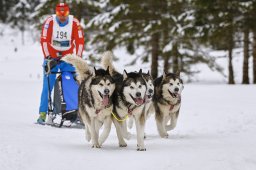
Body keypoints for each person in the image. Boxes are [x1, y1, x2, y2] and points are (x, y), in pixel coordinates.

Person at [37, 3, 84, 125]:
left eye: (65, 15)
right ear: (56, 13)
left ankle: (74, 112)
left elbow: (79, 41)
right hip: (51, 58)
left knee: (71, 82)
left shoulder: (74, 23)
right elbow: (44, 40)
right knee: (48, 85)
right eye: (59, 15)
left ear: (68, 13)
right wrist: (48, 57)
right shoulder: (49, 22)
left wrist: (77, 58)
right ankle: (43, 114)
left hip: (67, 58)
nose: (62, 18)